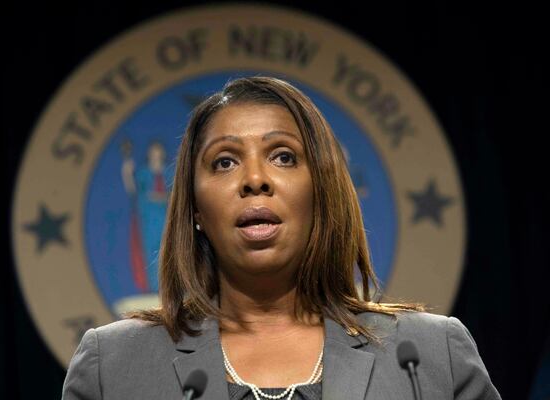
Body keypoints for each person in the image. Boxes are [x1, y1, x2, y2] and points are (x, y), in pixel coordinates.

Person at [62, 76, 501, 400]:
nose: (255, 179)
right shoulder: (115, 366)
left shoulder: (429, 355)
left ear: (321, 192)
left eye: (283, 156)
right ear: (195, 209)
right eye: (224, 162)